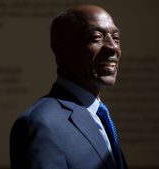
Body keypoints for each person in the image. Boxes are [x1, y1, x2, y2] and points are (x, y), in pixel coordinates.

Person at [10, 4, 127, 169]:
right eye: (96, 37)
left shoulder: (99, 115)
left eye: (116, 38)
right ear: (62, 53)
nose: (113, 47)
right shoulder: (41, 124)